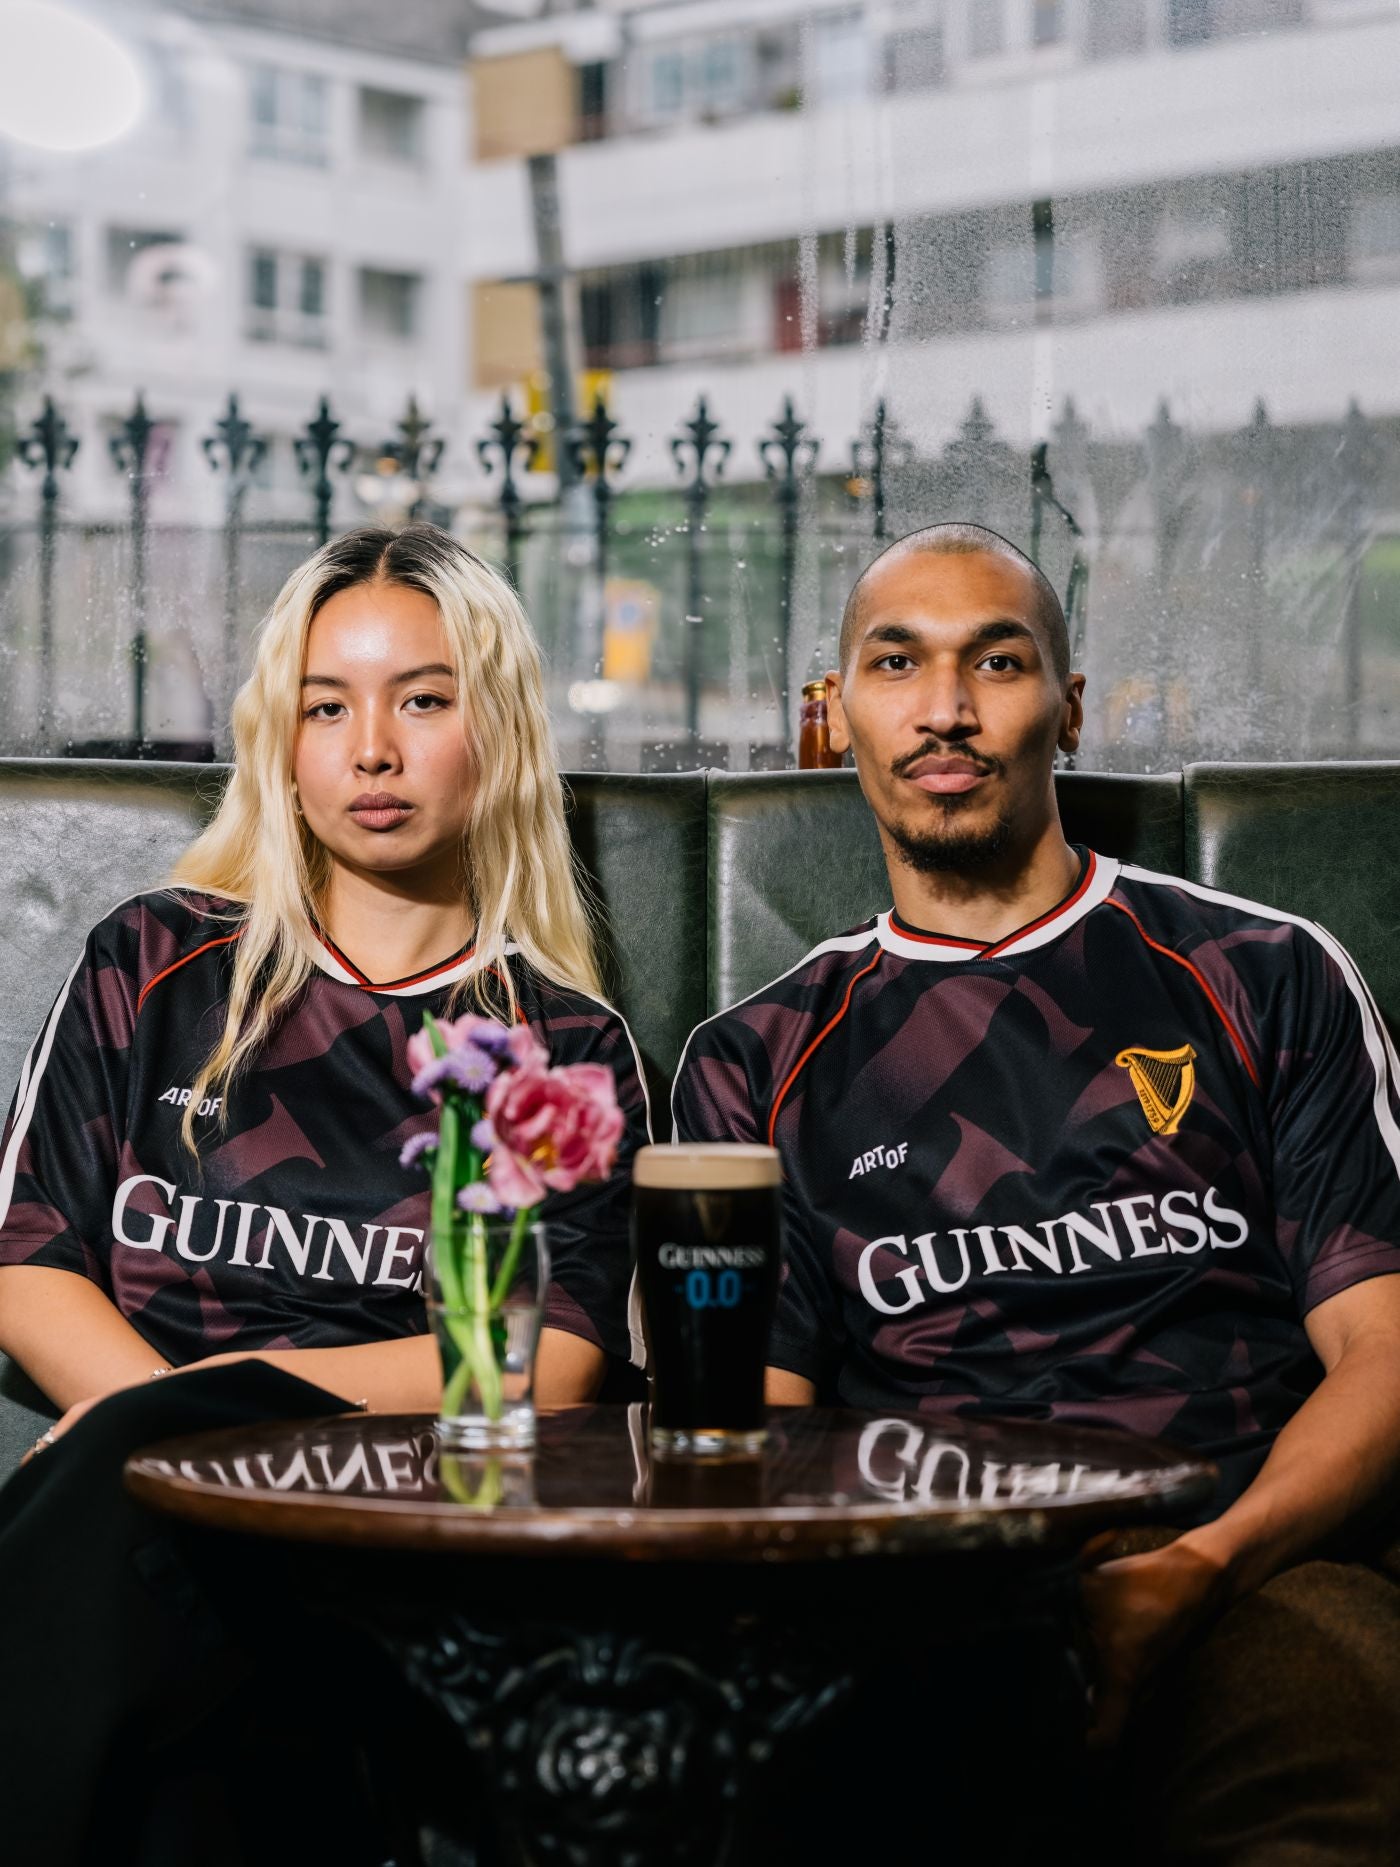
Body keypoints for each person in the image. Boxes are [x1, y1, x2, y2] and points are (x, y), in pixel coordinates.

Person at [673, 521, 1400, 1864]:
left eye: (996, 663)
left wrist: (1205, 1568)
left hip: (1253, 1565)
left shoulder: (1264, 971)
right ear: (834, 713)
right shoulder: (755, 1061)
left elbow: (1386, 1353)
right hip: (930, 1595)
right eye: (898, 663)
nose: (946, 709)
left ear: (1068, 707)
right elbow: (749, 1436)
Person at [0, 521, 649, 1864]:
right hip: (148, 1553)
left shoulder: (558, 1049)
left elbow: (552, 1360)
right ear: (281, 746)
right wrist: (168, 1452)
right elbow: (28, 1264)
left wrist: (187, 1422)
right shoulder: (152, 962)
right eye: (327, 706)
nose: (373, 750)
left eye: (424, 700)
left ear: (497, 732)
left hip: (394, 1549)